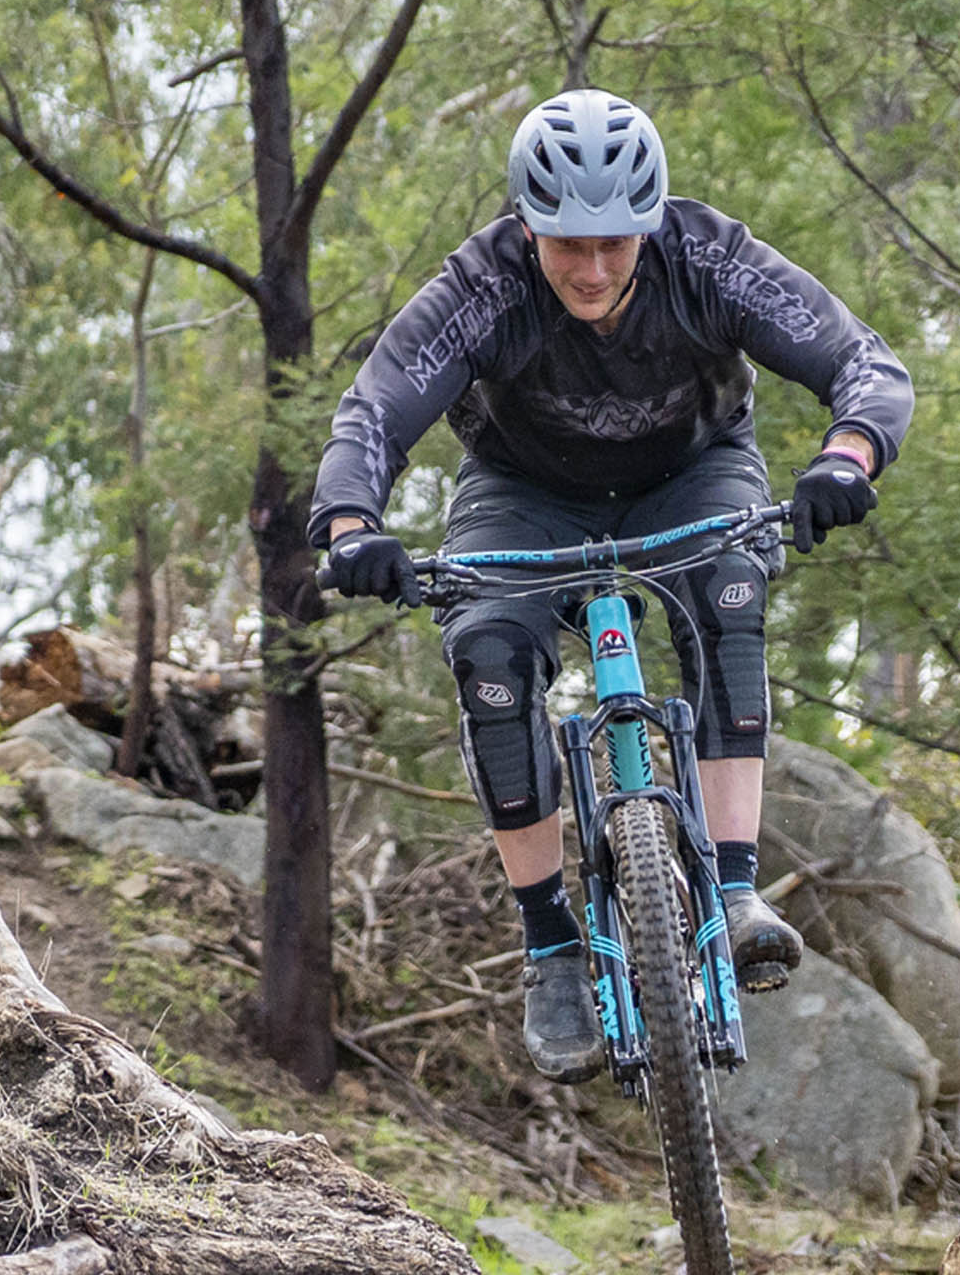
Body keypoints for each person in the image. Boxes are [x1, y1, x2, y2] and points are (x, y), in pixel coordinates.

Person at [310, 90, 910, 1081]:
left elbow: (864, 362)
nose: (590, 270)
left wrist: (847, 458)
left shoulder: (710, 259)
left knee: (730, 594)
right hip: (523, 493)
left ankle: (733, 890)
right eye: (565, 246)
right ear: (527, 226)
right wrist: (350, 524)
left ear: (650, 225)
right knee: (491, 659)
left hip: (694, 476)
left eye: (614, 245)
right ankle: (550, 945)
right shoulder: (481, 285)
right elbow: (374, 410)